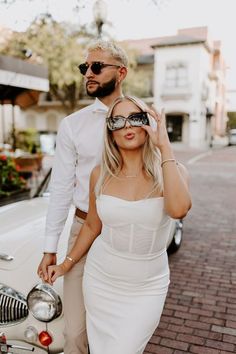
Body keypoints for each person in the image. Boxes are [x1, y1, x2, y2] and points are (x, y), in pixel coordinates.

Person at [46, 95, 192, 354]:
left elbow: (179, 209)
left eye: (135, 118)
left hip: (147, 286)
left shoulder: (172, 170)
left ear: (147, 124)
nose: (127, 126)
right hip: (101, 280)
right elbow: (92, 225)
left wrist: (164, 147)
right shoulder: (99, 174)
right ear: (110, 132)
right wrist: (65, 263)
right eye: (117, 121)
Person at [37, 40, 128, 354]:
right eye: (85, 67)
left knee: (115, 332)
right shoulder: (71, 125)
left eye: (97, 67)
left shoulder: (145, 120)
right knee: (74, 335)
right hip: (82, 232)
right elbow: (61, 188)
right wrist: (51, 248)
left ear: (122, 72)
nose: (88, 73)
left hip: (126, 236)